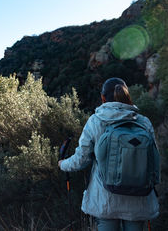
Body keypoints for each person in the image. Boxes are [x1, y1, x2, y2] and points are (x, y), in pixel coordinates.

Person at [58, 77, 159, 231]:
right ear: (126, 95)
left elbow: (81, 159)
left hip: (106, 199)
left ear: (103, 98)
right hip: (140, 198)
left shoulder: (95, 121)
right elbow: (155, 159)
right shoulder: (144, 122)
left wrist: (63, 164)